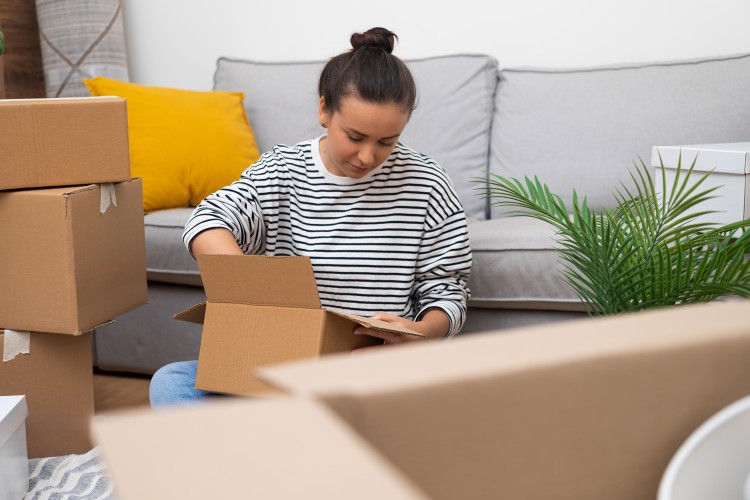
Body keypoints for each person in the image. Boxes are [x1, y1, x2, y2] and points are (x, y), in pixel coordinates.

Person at [149, 27, 472, 408]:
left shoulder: (427, 182)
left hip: (374, 376)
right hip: (283, 370)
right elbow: (208, 220)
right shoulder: (282, 169)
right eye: (355, 136)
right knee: (171, 384)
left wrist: (420, 333)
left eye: (387, 141)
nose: (368, 157)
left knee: (444, 405)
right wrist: (247, 291)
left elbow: (447, 291)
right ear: (324, 111)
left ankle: (273, 447)